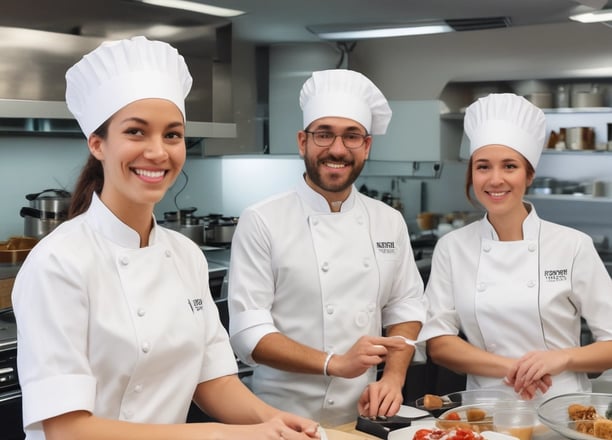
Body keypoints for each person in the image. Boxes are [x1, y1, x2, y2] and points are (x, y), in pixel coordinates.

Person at [11, 36, 320, 440]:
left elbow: (214, 381)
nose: (158, 152)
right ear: (98, 144)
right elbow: (68, 430)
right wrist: (223, 436)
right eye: (137, 132)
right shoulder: (58, 261)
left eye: (172, 135)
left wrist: (271, 420)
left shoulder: (186, 255)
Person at [227, 69, 427, 425]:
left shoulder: (388, 220)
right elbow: (248, 333)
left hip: (363, 415)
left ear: (366, 146)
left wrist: (393, 378)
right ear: (303, 141)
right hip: (279, 418)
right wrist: (335, 363)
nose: (337, 149)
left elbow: (405, 305)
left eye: (351, 137)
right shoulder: (262, 219)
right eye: (324, 135)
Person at [421, 93, 612, 402]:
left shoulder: (573, 246)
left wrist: (562, 358)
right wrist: (514, 367)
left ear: (529, 175)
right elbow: (439, 344)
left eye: (509, 166)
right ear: (472, 174)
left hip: (561, 411)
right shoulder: (452, 248)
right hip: (486, 412)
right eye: (483, 167)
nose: (495, 179)